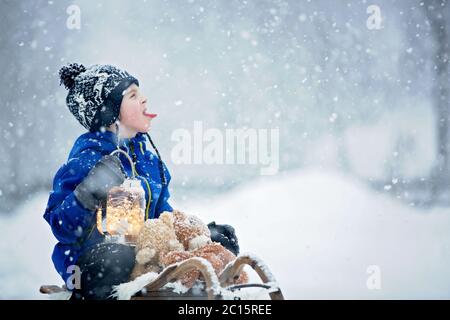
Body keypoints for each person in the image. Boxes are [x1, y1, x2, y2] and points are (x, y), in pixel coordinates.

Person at [43, 63, 239, 300]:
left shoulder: (148, 162)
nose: (144, 99)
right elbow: (61, 227)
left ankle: (203, 297)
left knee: (218, 241)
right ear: (108, 112)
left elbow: (161, 216)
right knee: (117, 257)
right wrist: (89, 192)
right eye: (133, 96)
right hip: (87, 266)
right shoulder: (87, 159)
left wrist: (191, 235)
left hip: (143, 255)